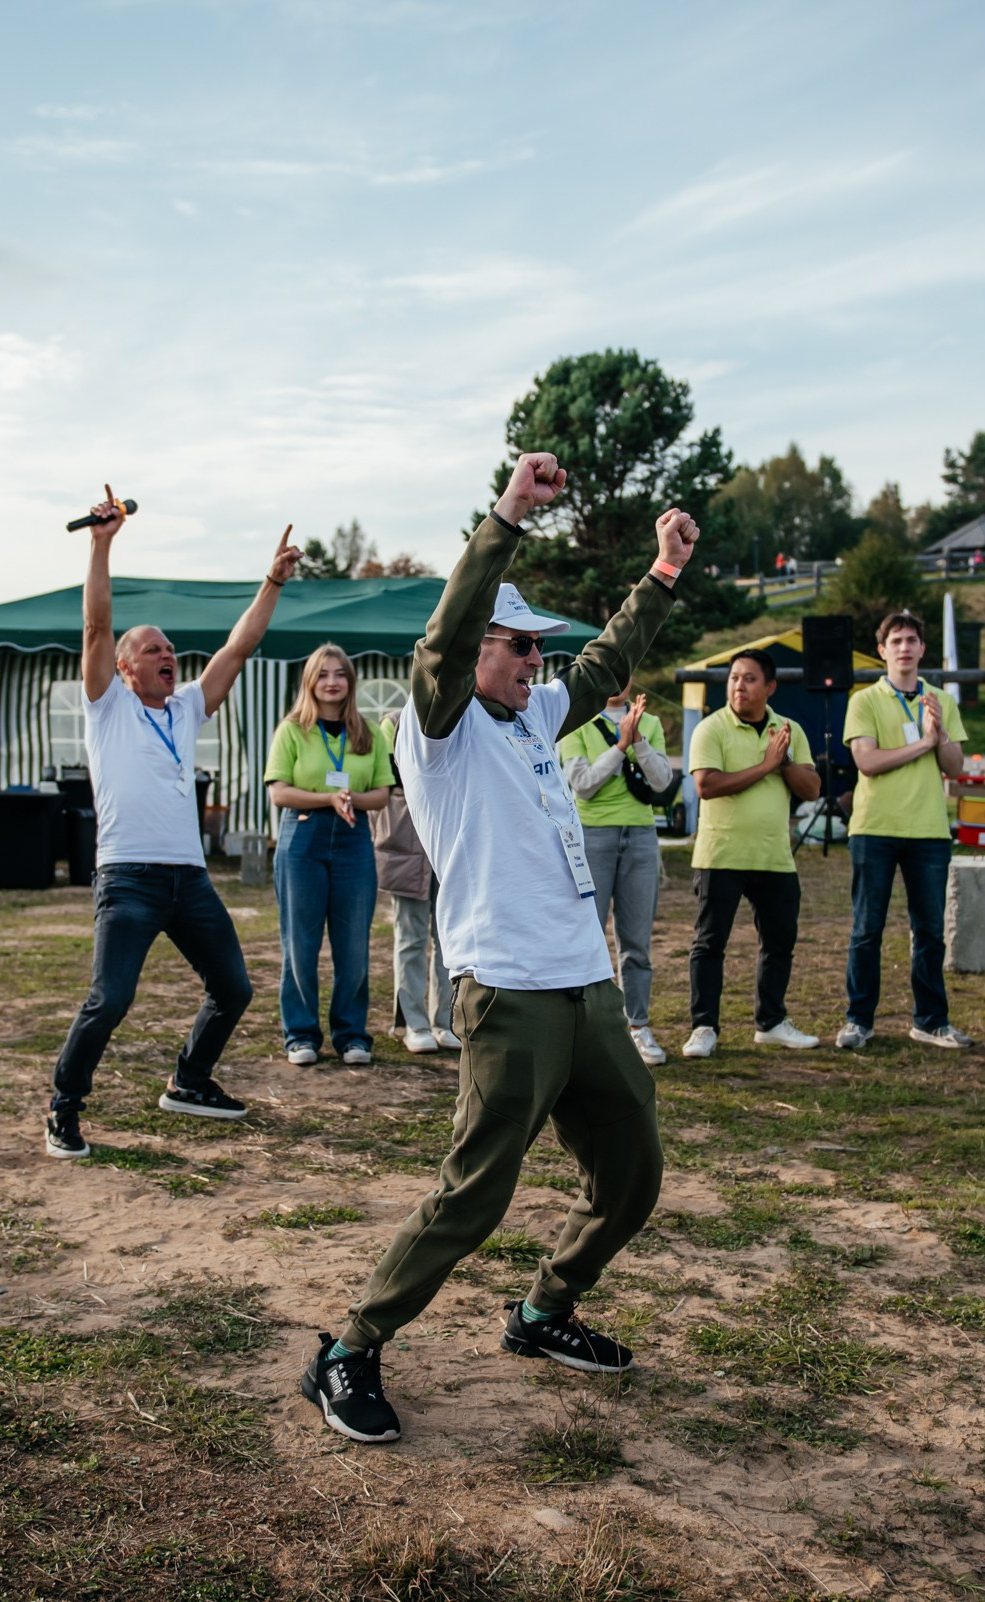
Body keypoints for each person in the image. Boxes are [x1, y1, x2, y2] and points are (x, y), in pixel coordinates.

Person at [300, 452, 695, 1445]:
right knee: (475, 1192)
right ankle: (348, 1350)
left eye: (535, 650)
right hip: (508, 995)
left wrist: (662, 577)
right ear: (481, 645)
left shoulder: (534, 716)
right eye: (517, 645)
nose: (534, 662)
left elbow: (603, 666)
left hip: (586, 989)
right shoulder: (435, 728)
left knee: (635, 1173)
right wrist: (510, 513)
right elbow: (441, 642)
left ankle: (543, 1312)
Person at [46, 498, 301, 1158]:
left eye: (169, 647)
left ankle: (189, 1081)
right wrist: (102, 546)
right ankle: (63, 1107)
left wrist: (270, 582)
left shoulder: (185, 708)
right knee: (112, 998)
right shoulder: (106, 706)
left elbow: (240, 645)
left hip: (187, 879)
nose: (168, 653)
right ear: (125, 667)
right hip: (128, 877)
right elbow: (97, 626)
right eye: (152, 648)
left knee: (234, 987)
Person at [832, 612, 970, 1050]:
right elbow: (867, 762)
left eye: (913, 640)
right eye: (896, 641)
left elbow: (955, 767)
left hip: (928, 829)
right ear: (883, 650)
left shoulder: (941, 700)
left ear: (923, 649)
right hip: (875, 828)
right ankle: (859, 1020)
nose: (905, 647)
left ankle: (930, 1021)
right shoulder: (864, 700)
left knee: (929, 930)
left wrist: (941, 735)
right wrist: (924, 745)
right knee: (867, 929)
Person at [684, 649, 821, 1057]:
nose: (739, 686)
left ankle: (771, 1022)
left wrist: (783, 761)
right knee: (709, 944)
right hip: (720, 855)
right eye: (734, 678)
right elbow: (706, 785)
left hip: (774, 856)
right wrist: (765, 766)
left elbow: (812, 789)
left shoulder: (788, 730)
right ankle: (704, 1027)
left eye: (749, 679)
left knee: (779, 942)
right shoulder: (711, 728)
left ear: (770, 687)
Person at [265, 643, 394, 1067]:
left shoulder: (369, 732)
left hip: (354, 841)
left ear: (350, 682)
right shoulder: (292, 730)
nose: (332, 682)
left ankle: (351, 1035)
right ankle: (300, 1035)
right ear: (310, 681)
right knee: (299, 943)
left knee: (353, 944)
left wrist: (348, 797)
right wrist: (327, 798)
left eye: (339, 674)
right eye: (323, 674)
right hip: (302, 838)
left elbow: (381, 794)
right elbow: (279, 790)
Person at [558, 682, 677, 1066]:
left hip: (640, 837)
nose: (616, 680)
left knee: (636, 942)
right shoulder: (575, 723)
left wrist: (638, 738)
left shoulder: (651, 723)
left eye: (624, 672)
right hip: (592, 836)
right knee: (587, 936)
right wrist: (620, 746)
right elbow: (584, 785)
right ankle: (582, 1028)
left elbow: (661, 782)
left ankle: (638, 1025)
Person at [369, 734, 457, 1054]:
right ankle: (414, 1023)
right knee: (410, 936)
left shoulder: (462, 719)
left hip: (447, 846)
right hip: (407, 849)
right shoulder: (393, 723)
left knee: (447, 938)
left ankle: (444, 1022)